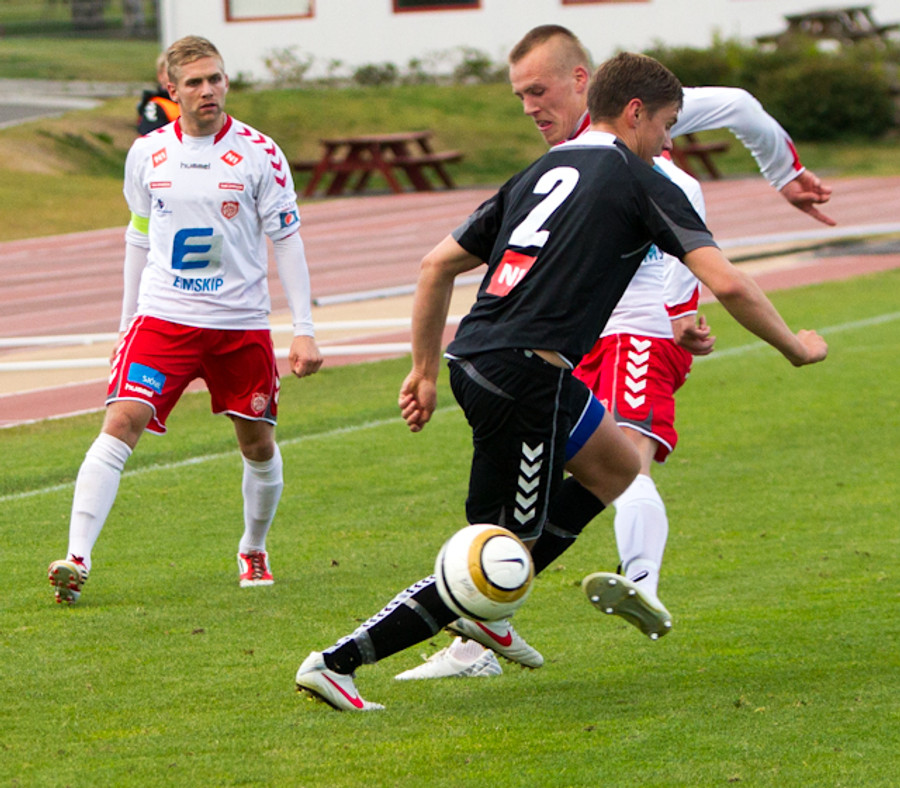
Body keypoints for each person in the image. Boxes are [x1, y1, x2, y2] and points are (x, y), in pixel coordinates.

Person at [294, 51, 826, 711]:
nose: (668, 141)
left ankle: (490, 615)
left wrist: (424, 371)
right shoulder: (641, 179)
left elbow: (435, 266)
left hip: (490, 359)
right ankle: (338, 662)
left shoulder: (541, 170)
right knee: (493, 556)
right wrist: (796, 347)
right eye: (666, 125)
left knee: (619, 470)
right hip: (522, 378)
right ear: (635, 113)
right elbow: (731, 284)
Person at [48, 36, 323, 605]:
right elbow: (138, 236)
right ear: (171, 89)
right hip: (164, 317)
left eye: (215, 79)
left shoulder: (260, 153)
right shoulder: (147, 153)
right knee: (122, 421)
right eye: (194, 82)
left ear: (226, 82)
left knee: (257, 445)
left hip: (239, 323)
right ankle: (76, 558)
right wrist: (126, 323)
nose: (207, 91)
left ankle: (253, 547)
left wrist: (304, 328)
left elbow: (287, 239)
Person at [136, 52, 180, 135]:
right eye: (170, 72)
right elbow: (151, 138)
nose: (175, 76)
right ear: (160, 76)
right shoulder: (156, 106)